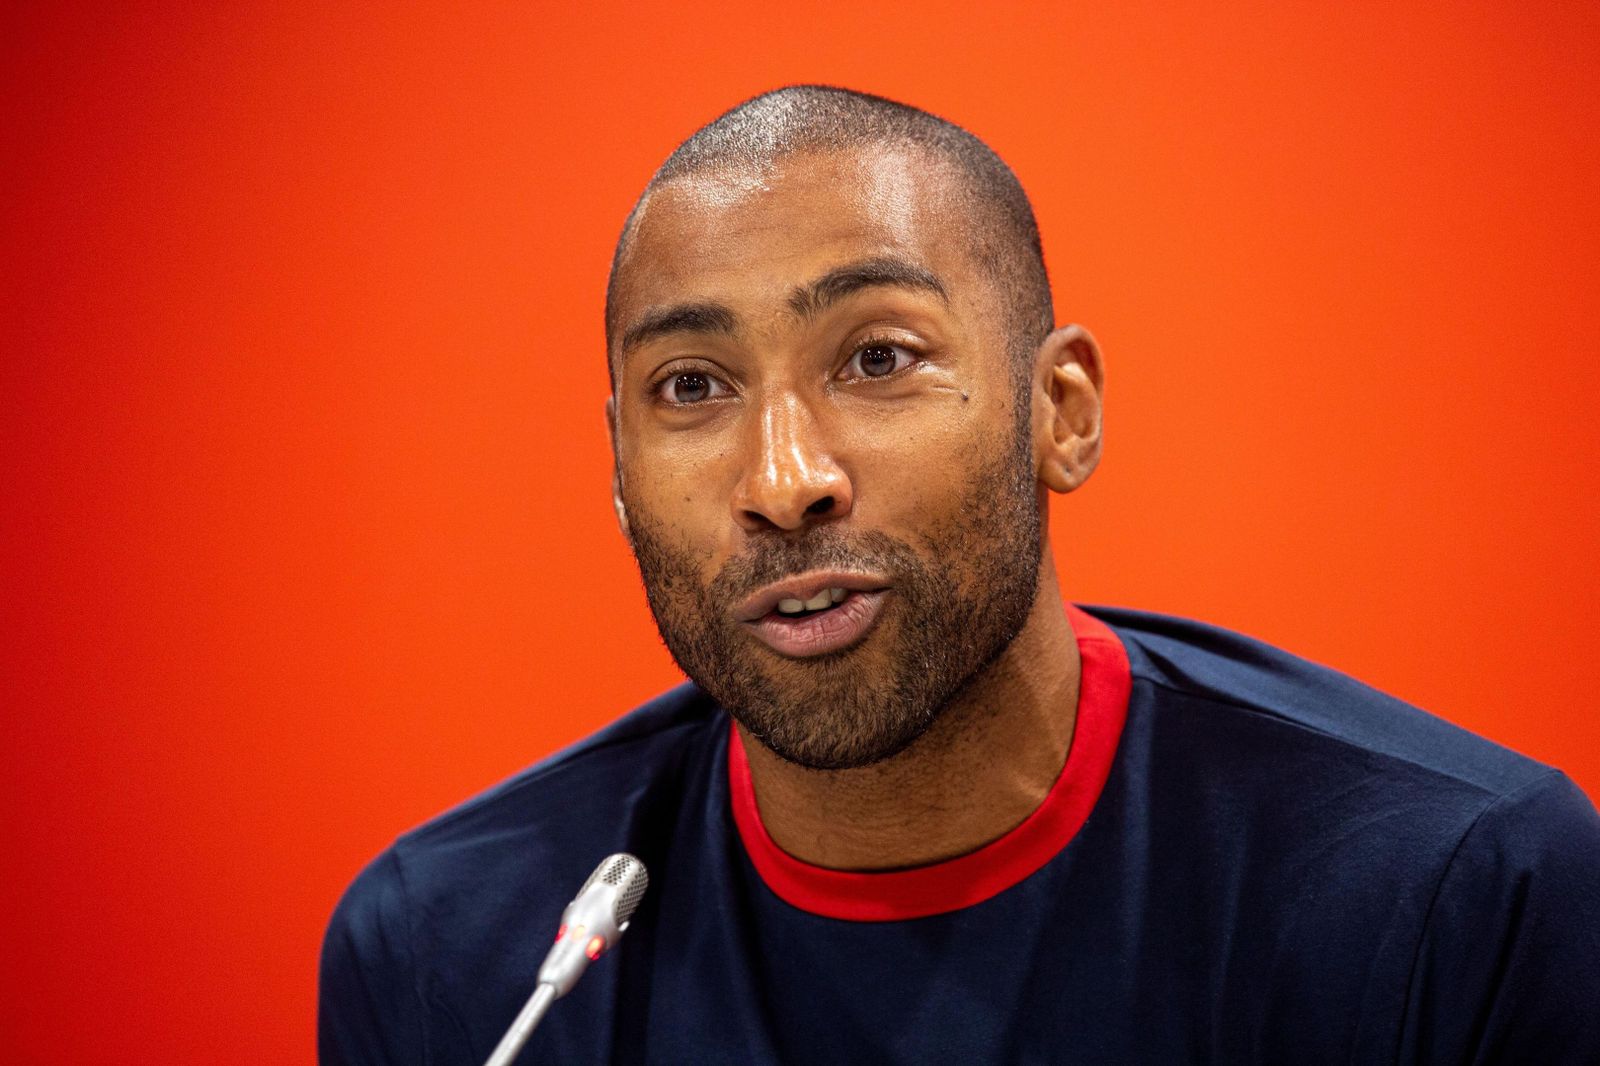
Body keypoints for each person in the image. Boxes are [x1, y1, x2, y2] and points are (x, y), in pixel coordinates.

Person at [319, 86, 1600, 1065]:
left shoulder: (1457, 892)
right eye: (692, 386)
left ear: (1061, 411)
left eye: (877, 359)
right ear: (617, 469)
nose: (783, 480)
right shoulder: (448, 952)